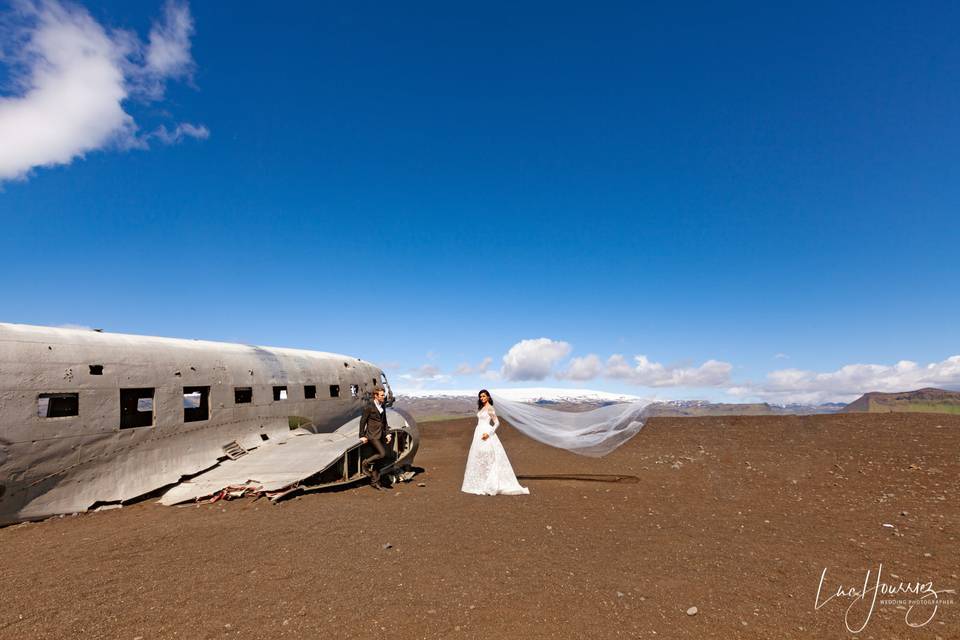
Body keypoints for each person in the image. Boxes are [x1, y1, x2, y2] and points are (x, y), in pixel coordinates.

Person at [461, 389, 529, 495]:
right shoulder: (482, 408)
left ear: (488, 397)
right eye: (480, 396)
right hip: (478, 433)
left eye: (484, 396)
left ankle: (491, 482)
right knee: (479, 456)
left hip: (486, 433)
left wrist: (488, 434)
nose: (482, 398)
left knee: (489, 455)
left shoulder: (490, 408)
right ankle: (482, 482)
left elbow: (497, 423)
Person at [359, 387, 392, 489]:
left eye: (383, 395)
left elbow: (384, 421)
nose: (384, 396)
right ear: (376, 396)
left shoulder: (382, 406)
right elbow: (362, 421)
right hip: (372, 435)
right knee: (382, 454)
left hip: (381, 435)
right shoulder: (369, 407)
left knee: (379, 460)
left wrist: (387, 433)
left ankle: (375, 482)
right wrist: (362, 436)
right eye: (382, 395)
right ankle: (365, 463)